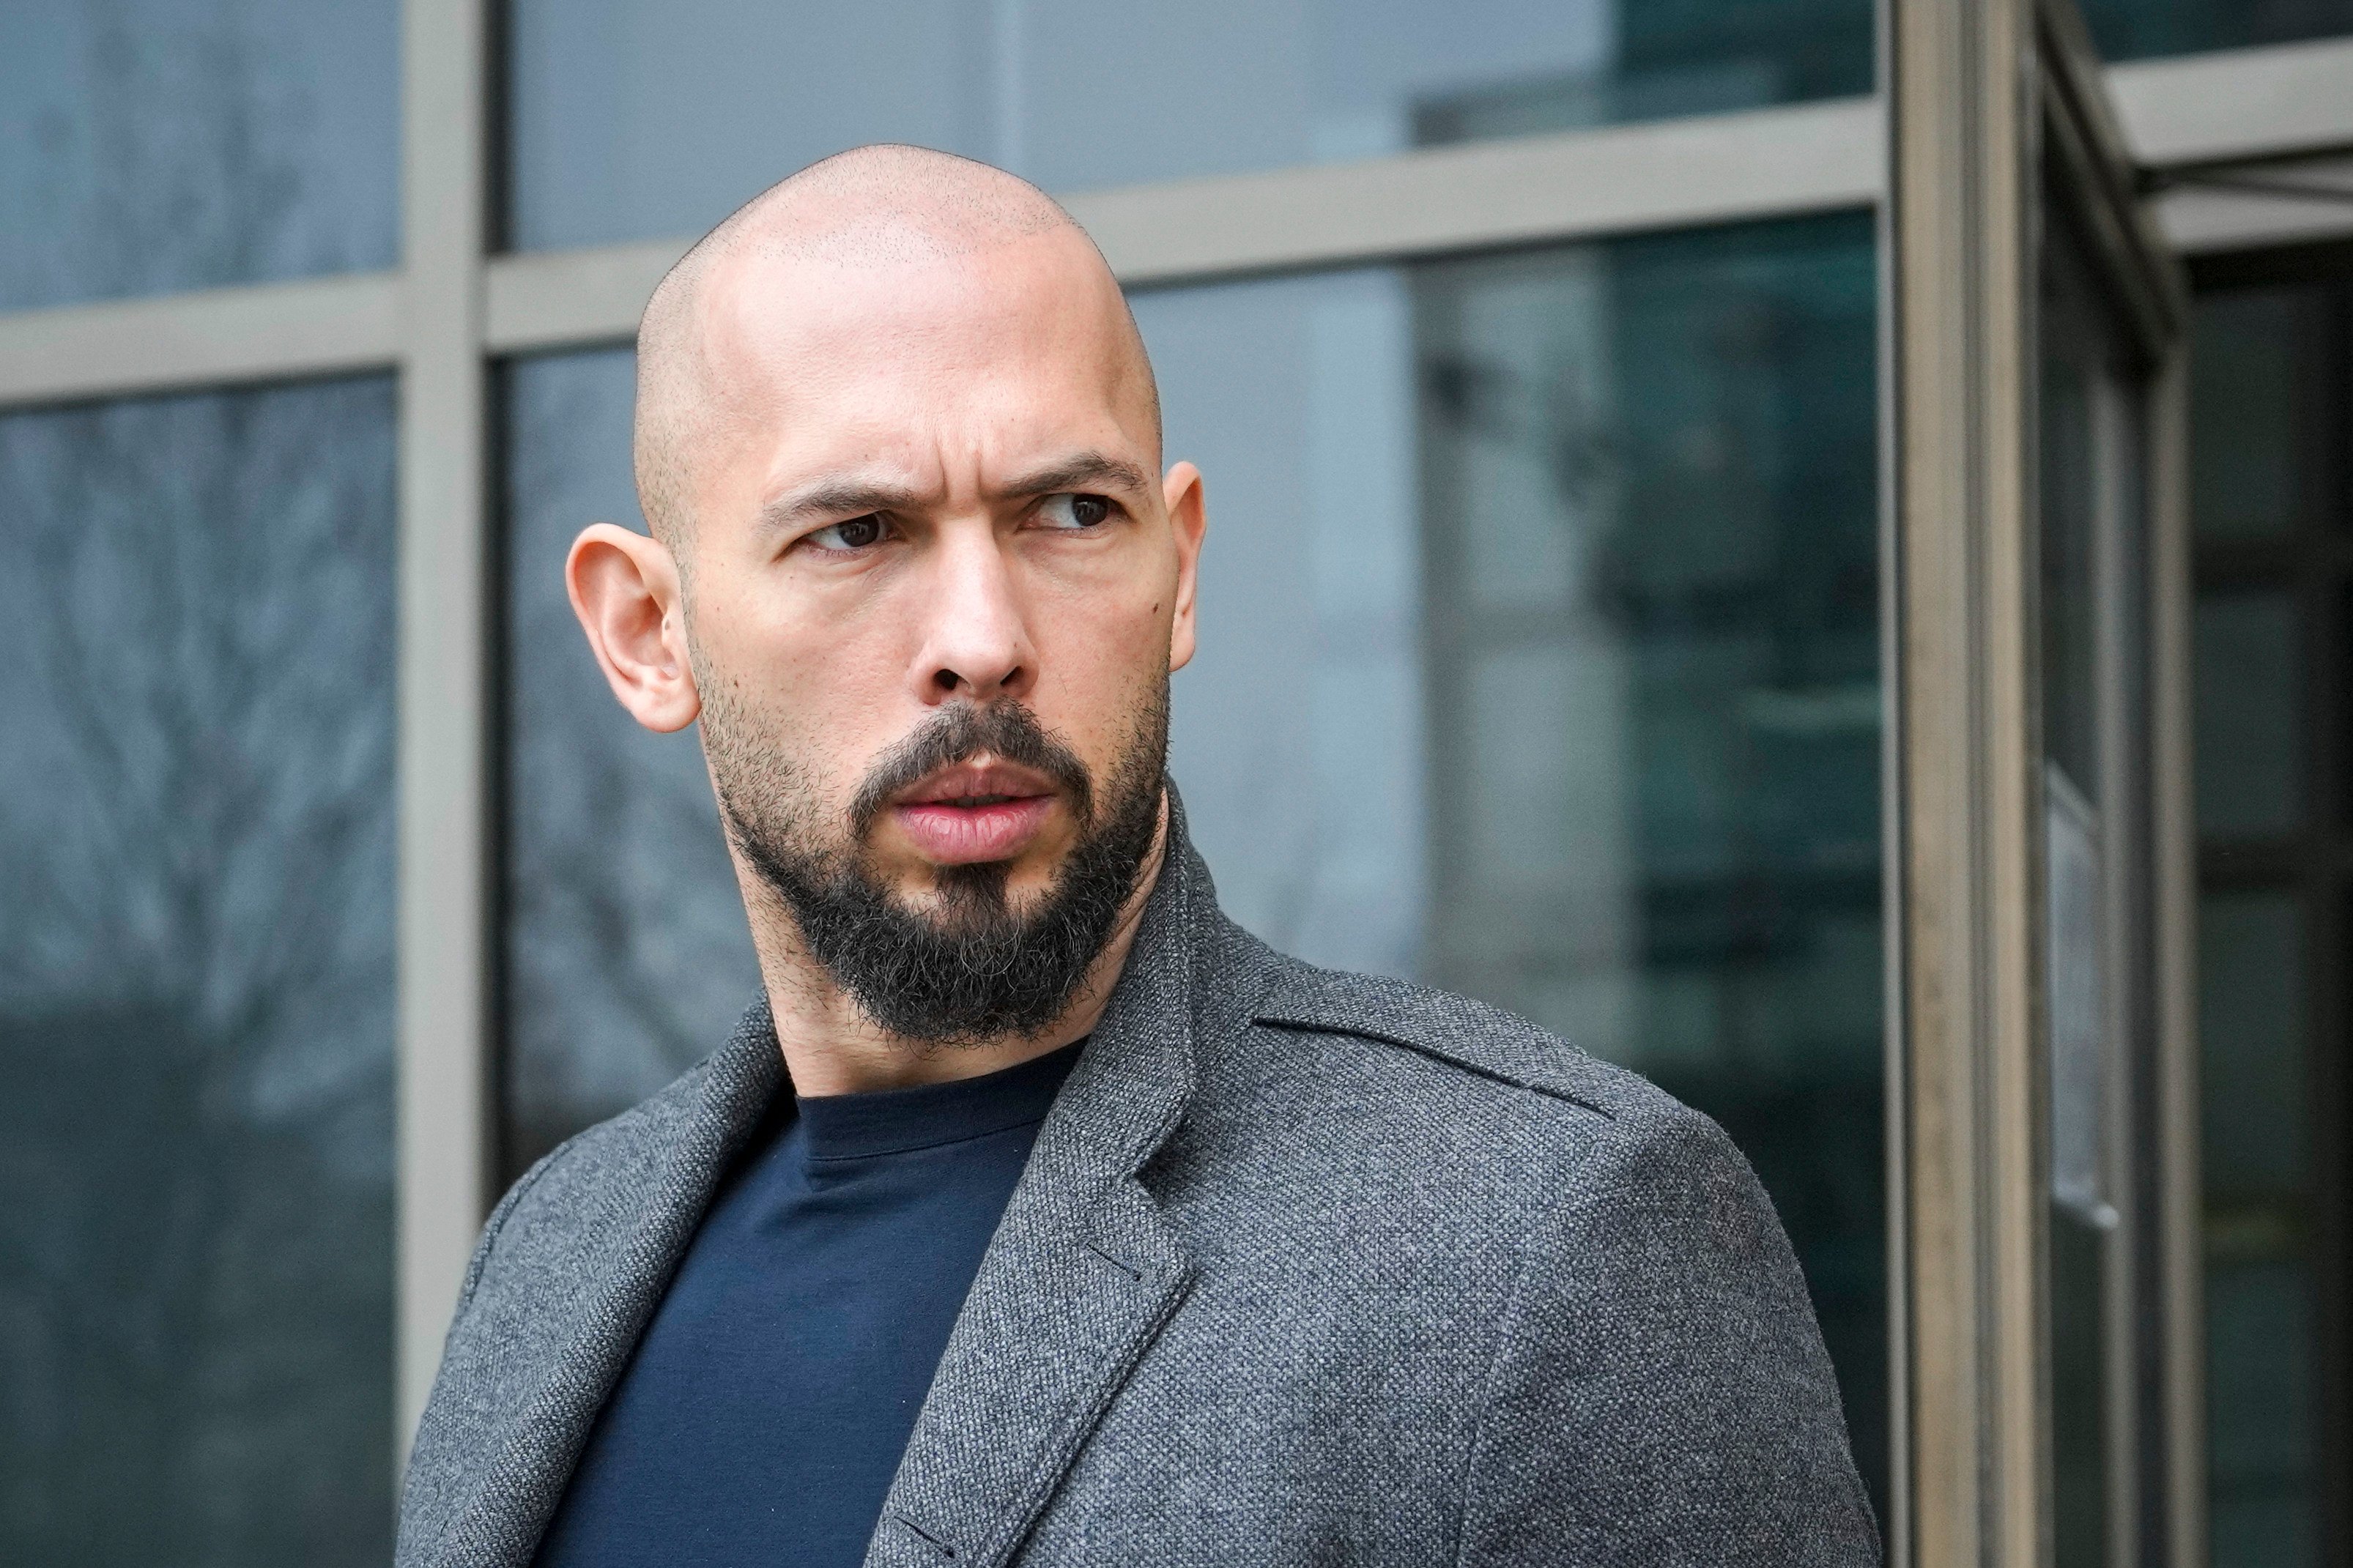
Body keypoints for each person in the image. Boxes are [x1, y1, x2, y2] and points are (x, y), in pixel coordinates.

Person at [395, 144, 1878, 1568]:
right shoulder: (548, 1258)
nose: (982, 642)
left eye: (1068, 513)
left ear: (1177, 568)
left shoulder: (1551, 1240)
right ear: (650, 636)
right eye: (857, 532)